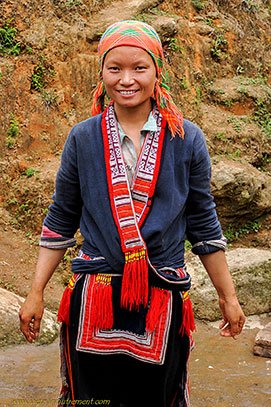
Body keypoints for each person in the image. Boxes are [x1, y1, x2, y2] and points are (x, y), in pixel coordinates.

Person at [19, 20, 245, 407]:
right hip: (96, 293)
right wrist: (35, 292)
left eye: (139, 68)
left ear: (158, 71)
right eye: (115, 68)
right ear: (101, 73)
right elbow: (61, 219)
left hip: (162, 293)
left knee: (158, 397)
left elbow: (203, 222)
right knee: (90, 399)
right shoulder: (83, 137)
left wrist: (229, 296)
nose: (127, 79)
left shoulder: (186, 139)